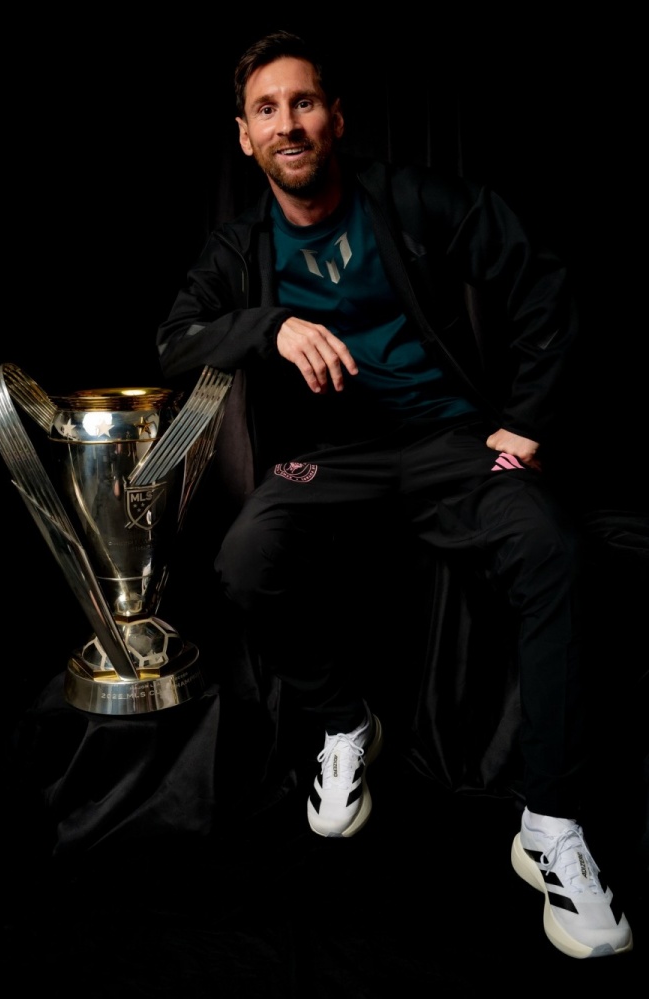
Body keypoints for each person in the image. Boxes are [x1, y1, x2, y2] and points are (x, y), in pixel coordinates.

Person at [156, 30, 634, 960]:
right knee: (246, 556)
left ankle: (550, 823)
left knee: (556, 548)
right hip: (332, 462)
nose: (288, 124)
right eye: (266, 110)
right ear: (245, 137)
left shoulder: (412, 198)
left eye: (303, 103)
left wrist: (527, 419)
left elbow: (541, 280)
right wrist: (270, 325)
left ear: (336, 118)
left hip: (451, 444)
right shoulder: (241, 246)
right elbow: (175, 339)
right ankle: (345, 721)